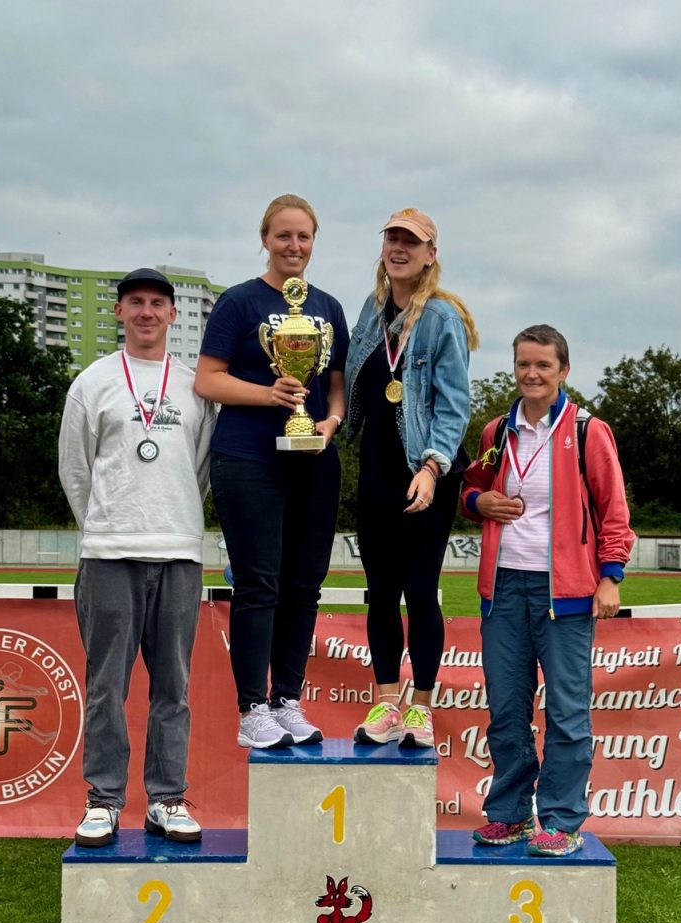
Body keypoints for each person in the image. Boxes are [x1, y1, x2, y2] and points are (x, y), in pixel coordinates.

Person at [461, 324, 635, 856]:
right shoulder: (497, 432)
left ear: (563, 370)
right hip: (503, 591)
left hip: (567, 594)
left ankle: (560, 820)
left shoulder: (588, 431)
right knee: (506, 711)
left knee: (566, 712)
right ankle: (511, 814)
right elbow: (471, 487)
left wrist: (611, 576)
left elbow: (614, 511)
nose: (531, 374)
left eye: (542, 365)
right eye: (523, 364)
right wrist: (477, 504)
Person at [59, 268, 214, 847]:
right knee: (106, 686)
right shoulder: (92, 383)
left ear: (173, 314)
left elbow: (201, 469)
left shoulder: (197, 387)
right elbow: (75, 469)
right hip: (110, 553)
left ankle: (166, 799)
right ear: (119, 311)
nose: (147, 312)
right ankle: (103, 801)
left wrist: (173, 518)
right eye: (135, 302)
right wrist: (105, 525)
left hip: (178, 552)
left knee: (173, 687)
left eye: (157, 303)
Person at [194, 194, 349, 749]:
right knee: (259, 584)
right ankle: (252, 709)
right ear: (265, 239)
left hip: (314, 460)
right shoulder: (239, 302)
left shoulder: (328, 307)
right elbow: (207, 379)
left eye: (304, 236)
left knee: (304, 586)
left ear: (314, 241)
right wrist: (268, 394)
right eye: (283, 235)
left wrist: (330, 424)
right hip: (249, 458)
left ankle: (287, 699)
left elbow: (337, 386)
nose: (294, 246)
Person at [345, 207, 479, 748]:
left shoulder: (442, 317)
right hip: (377, 467)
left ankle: (421, 707)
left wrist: (431, 467)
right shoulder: (370, 310)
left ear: (430, 255)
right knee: (380, 594)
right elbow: (350, 379)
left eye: (411, 242)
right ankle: (385, 704)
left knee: (420, 591)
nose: (399, 248)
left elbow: (455, 404)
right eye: (392, 239)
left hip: (427, 471)